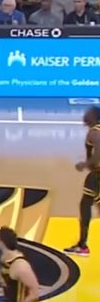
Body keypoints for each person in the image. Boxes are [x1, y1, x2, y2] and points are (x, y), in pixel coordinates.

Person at [65, 106, 100, 256]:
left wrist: (84, 164)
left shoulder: (95, 132)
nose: (85, 115)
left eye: (88, 113)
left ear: (94, 117)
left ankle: (82, 245)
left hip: (97, 174)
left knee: (85, 204)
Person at [0, 226, 40, 302]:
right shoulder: (4, 258)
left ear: (1, 242)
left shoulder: (20, 266)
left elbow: (34, 294)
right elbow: (5, 273)